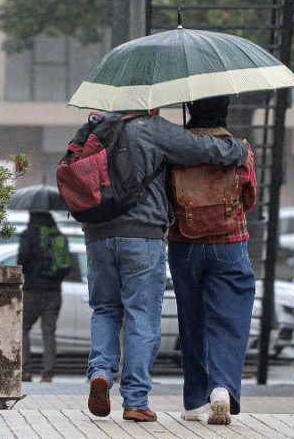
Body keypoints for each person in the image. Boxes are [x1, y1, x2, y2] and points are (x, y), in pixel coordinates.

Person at [83, 108, 249, 422]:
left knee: (105, 308)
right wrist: (238, 149)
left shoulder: (96, 128)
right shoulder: (153, 128)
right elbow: (202, 149)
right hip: (142, 235)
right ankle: (135, 401)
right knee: (140, 315)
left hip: (97, 235)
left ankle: (100, 371)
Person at [166, 96, 257, 425]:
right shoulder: (238, 147)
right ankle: (222, 388)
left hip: (184, 243)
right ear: (225, 112)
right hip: (229, 243)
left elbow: (166, 194)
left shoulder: (175, 147)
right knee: (229, 319)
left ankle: (193, 402)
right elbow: (249, 196)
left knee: (192, 320)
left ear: (191, 110)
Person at [17, 210, 70, 383]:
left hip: (32, 290)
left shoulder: (28, 235)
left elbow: (21, 260)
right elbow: (67, 266)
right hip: (54, 291)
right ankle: (47, 374)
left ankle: (25, 371)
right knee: (49, 332)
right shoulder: (58, 236)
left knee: (23, 328)